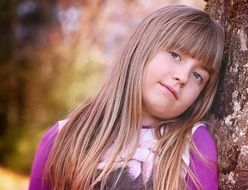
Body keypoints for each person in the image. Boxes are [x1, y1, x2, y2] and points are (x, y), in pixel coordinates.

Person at [29, 4, 224, 190]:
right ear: (142, 47)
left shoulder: (194, 146)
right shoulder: (63, 136)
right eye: (175, 55)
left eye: (198, 76)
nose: (182, 77)